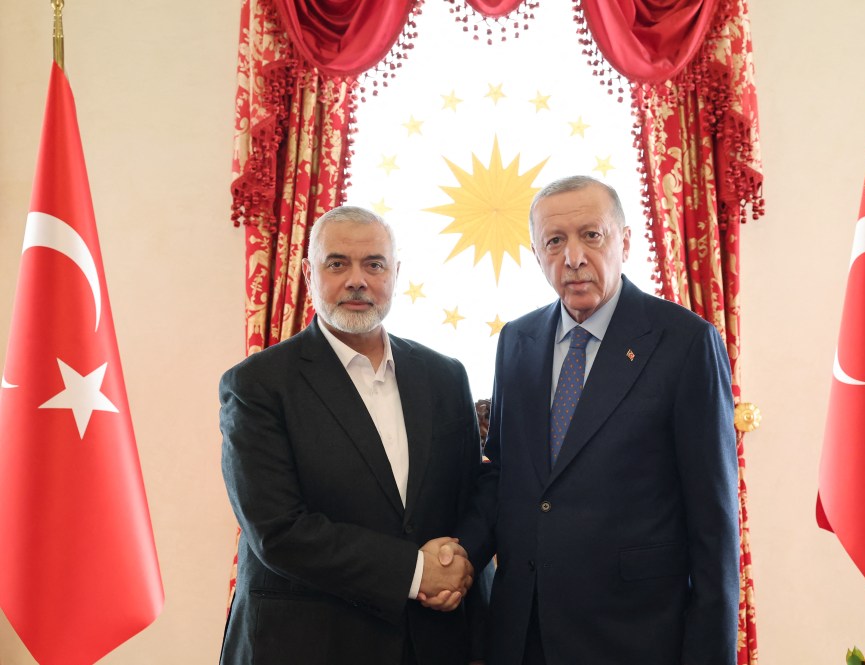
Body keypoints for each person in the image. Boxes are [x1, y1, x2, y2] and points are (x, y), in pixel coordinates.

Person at [455, 176, 740, 665]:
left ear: (624, 241)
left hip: (635, 633)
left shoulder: (685, 343)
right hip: (525, 633)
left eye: (592, 235)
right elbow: (504, 476)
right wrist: (461, 556)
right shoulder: (516, 343)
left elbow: (713, 522)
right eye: (555, 241)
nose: (573, 257)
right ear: (536, 252)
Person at [219, 206, 482, 664]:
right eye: (337, 263)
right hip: (307, 644)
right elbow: (278, 531)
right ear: (308, 272)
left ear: (395, 274)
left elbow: (471, 496)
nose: (357, 280)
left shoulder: (444, 376)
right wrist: (418, 572)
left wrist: (456, 568)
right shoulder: (257, 385)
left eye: (374, 264)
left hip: (430, 641)